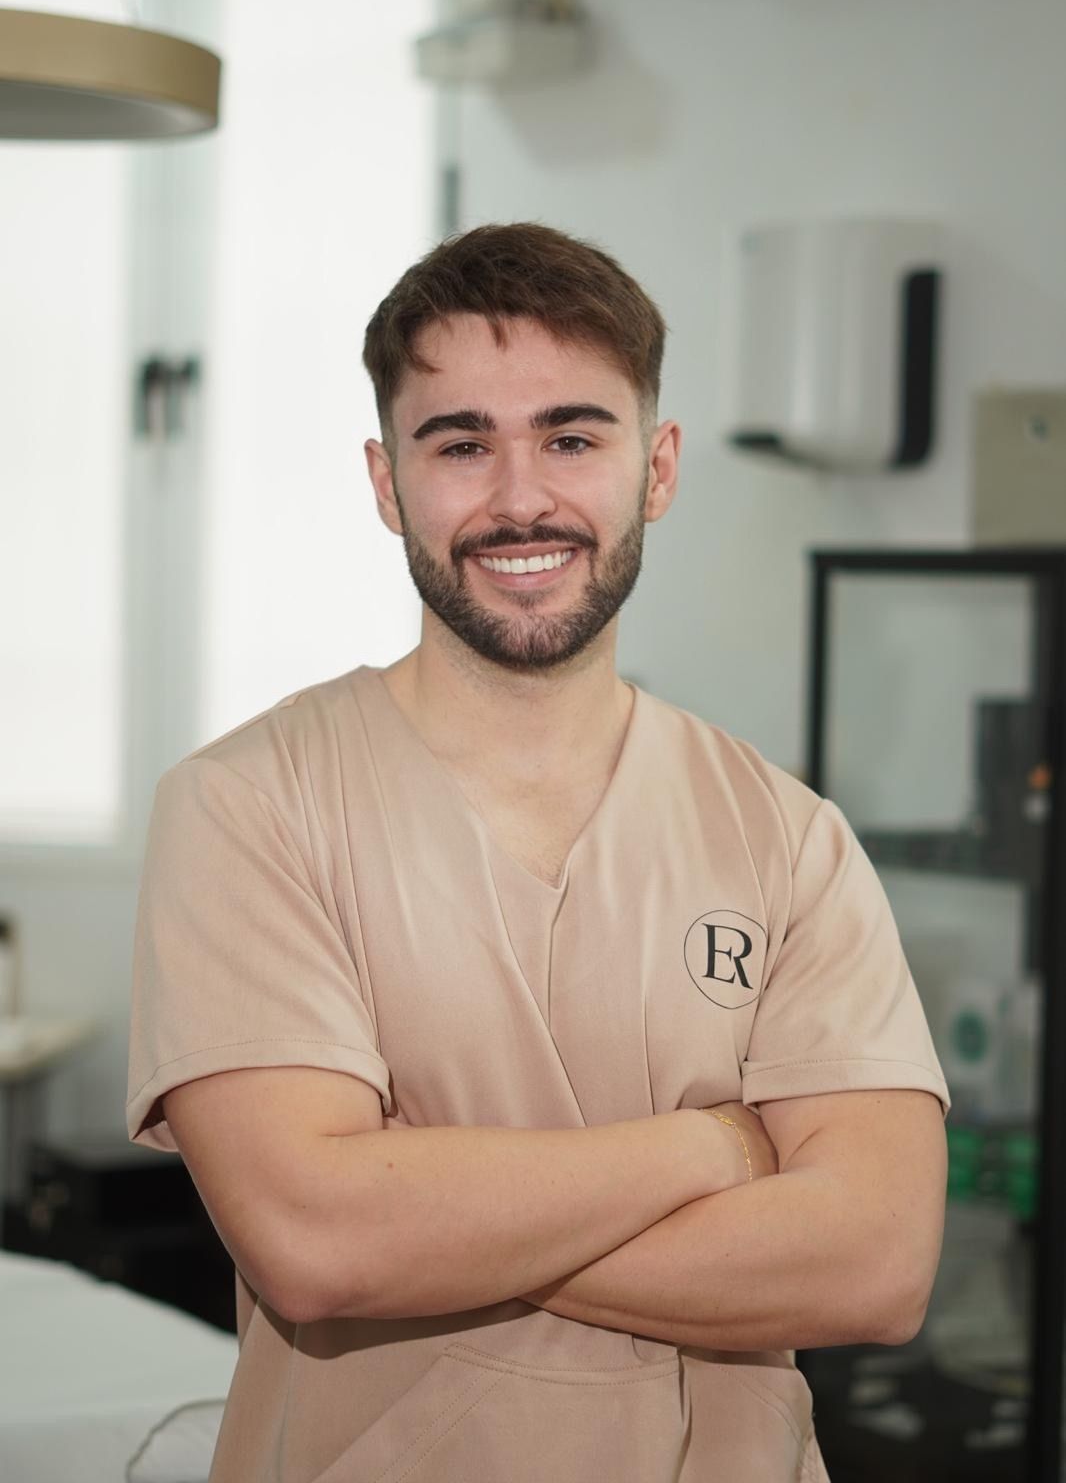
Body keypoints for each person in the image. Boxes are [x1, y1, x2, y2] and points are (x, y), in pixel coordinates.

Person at [127, 221, 949, 1483]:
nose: (520, 499)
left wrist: (429, 1213)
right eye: (460, 444)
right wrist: (717, 1148)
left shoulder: (788, 839)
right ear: (386, 480)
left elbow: (876, 1262)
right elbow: (316, 1243)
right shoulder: (250, 807)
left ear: (657, 467)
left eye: (572, 436)